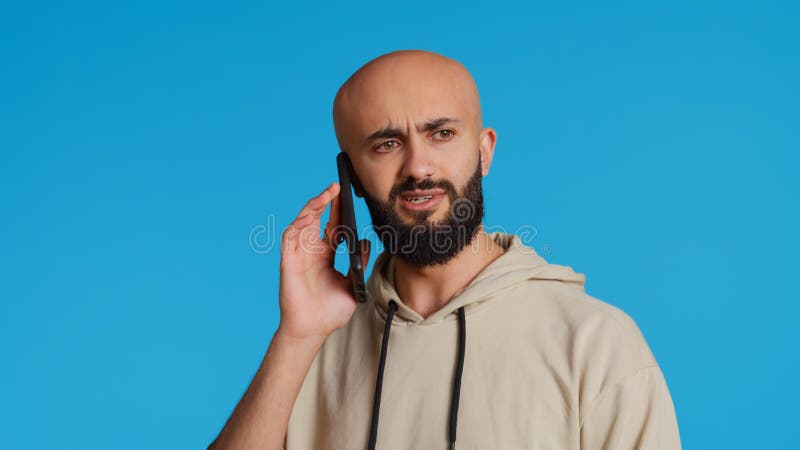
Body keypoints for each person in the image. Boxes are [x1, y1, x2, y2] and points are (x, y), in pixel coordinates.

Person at [208, 49, 682, 450]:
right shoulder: (313, 345)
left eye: (441, 134)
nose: (418, 167)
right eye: (387, 144)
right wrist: (295, 340)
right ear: (351, 176)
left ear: (485, 151)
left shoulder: (598, 344)